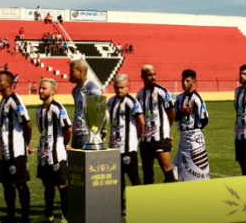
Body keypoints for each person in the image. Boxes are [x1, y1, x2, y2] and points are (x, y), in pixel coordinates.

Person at [0, 71, 32, 223]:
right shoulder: (2, 101)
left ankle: (25, 222)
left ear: (8, 84)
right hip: (4, 153)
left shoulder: (16, 100)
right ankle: (10, 219)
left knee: (20, 184)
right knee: (7, 185)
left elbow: (27, 125)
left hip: (16, 151)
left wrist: (25, 144)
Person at [36, 78, 72, 223]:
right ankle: (49, 214)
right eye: (40, 88)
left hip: (56, 153)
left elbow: (68, 129)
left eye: (44, 88)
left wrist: (64, 144)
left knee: (61, 184)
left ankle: (66, 218)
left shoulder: (58, 107)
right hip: (43, 154)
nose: (40, 90)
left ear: (52, 91)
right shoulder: (38, 111)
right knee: (47, 183)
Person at [108, 74, 144, 210]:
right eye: (117, 87)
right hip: (114, 147)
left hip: (128, 147)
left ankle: (139, 205)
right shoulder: (110, 102)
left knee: (133, 175)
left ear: (127, 87)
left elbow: (141, 123)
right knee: (117, 178)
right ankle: (120, 206)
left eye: (122, 87)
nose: (119, 90)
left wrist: (136, 138)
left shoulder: (132, 102)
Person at [137, 65, 176, 184]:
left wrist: (166, 130)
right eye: (149, 75)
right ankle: (149, 195)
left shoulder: (162, 92)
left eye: (154, 74)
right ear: (143, 76)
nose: (153, 77)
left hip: (160, 139)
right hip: (146, 141)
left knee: (168, 172)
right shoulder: (139, 95)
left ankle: (172, 194)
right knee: (148, 174)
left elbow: (171, 113)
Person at [172, 69, 209, 181]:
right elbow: (175, 117)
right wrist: (181, 112)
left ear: (194, 82)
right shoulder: (179, 98)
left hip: (193, 141)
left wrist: (195, 131)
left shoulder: (197, 98)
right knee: (173, 172)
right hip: (182, 140)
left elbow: (205, 119)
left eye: (187, 81)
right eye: (183, 80)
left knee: (196, 173)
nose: (184, 83)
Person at [69, 59, 102, 150]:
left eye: (72, 71)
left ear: (80, 72)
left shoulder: (93, 89)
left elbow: (99, 113)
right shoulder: (75, 91)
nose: (69, 74)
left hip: (87, 134)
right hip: (76, 133)